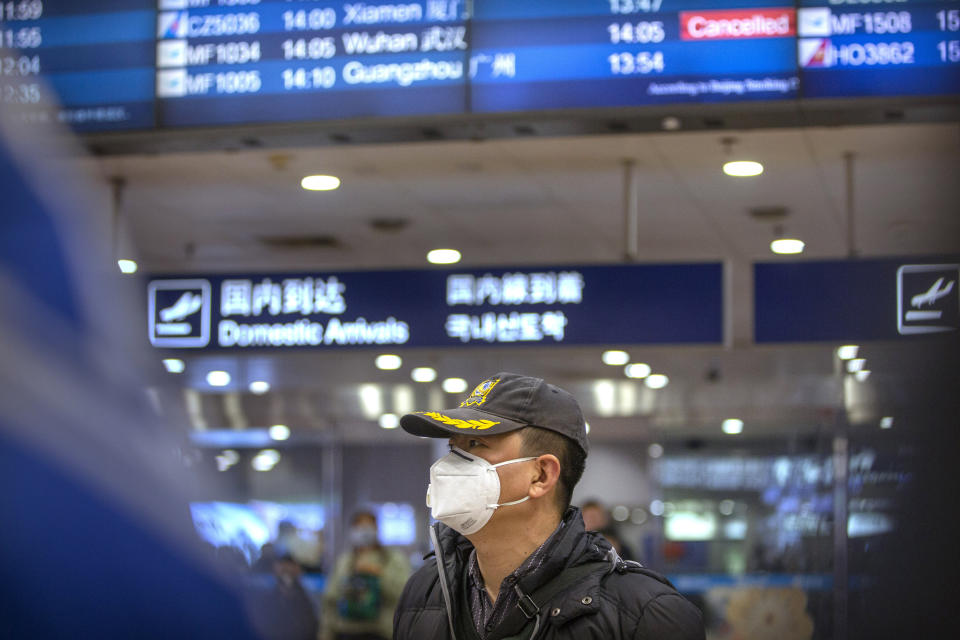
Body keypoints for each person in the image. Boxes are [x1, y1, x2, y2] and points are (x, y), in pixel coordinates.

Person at [394, 372, 704, 640]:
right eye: (453, 447)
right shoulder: (424, 592)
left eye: (476, 444)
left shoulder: (646, 615)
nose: (449, 465)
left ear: (541, 475)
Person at [321, 510, 410, 640]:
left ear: (376, 529)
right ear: (352, 530)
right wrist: (325, 634)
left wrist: (379, 575)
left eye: (368, 527)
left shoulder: (393, 559)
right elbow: (330, 600)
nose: (364, 532)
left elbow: (405, 595)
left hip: (381, 632)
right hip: (347, 631)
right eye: (359, 527)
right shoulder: (344, 561)